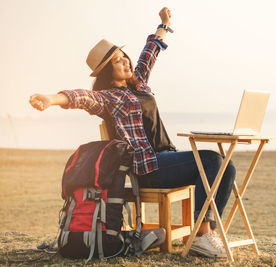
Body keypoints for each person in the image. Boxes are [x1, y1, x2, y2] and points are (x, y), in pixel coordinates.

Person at [29, 7, 235, 258]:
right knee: (213, 161)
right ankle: (202, 237)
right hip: (149, 168)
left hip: (166, 157)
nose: (125, 61)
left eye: (123, 56)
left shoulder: (139, 83)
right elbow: (80, 97)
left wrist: (164, 24)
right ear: (107, 71)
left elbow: (150, 53)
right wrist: (50, 99)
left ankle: (205, 232)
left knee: (225, 166)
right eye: (117, 60)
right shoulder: (109, 98)